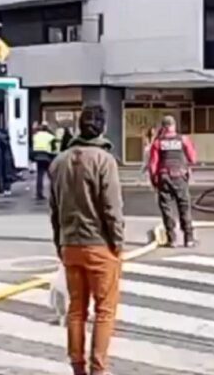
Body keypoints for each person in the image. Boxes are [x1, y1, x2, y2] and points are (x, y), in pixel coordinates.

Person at [49, 105, 125, 375]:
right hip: (100, 244)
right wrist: (118, 243)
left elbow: (54, 210)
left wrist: (60, 243)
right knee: (104, 311)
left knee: (76, 310)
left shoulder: (59, 162)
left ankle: (77, 367)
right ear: (102, 127)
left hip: (70, 245)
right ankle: (99, 369)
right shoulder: (105, 161)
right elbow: (112, 209)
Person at [148, 115, 198, 248]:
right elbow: (193, 159)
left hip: (164, 178)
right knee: (184, 207)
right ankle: (189, 239)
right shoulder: (183, 139)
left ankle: (172, 239)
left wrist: (154, 181)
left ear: (163, 127)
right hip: (180, 176)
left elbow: (153, 165)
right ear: (174, 126)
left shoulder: (158, 142)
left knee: (166, 209)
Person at [32, 122, 57, 200]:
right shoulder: (50, 136)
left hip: (38, 156)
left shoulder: (36, 136)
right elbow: (54, 148)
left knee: (40, 175)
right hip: (47, 156)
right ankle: (54, 193)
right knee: (51, 176)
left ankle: (39, 193)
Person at [0, 125, 16, 195]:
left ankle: (3, 189)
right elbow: (10, 152)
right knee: (7, 175)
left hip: (2, 159)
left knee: (2, 175)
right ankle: (7, 188)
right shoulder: (7, 142)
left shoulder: (0, 141)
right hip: (7, 159)